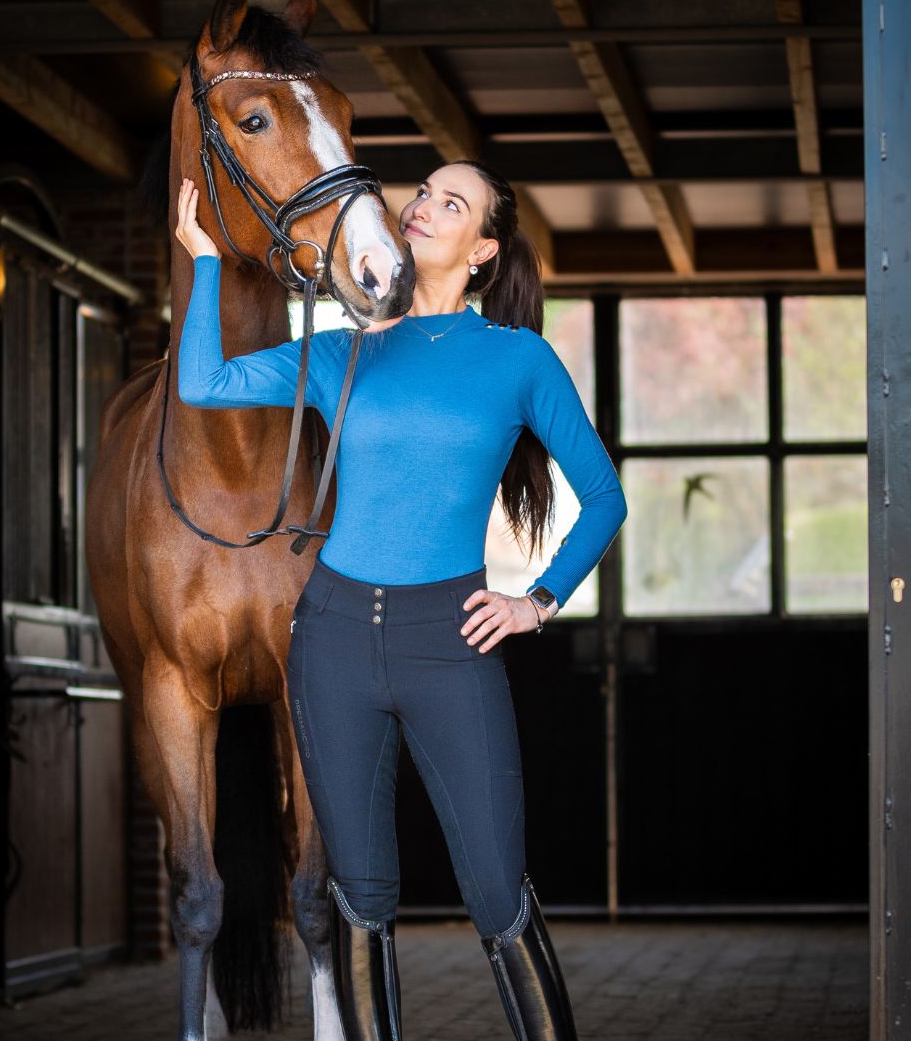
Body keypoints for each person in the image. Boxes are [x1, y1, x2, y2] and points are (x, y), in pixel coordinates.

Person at [176, 160, 628, 1041]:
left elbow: (603, 495)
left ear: (484, 249)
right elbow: (206, 384)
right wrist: (201, 258)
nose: (422, 207)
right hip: (333, 641)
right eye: (421, 192)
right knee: (361, 893)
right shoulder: (345, 350)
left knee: (497, 887)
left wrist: (538, 600)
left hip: (449, 642)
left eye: (450, 203)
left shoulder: (517, 360)